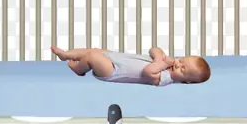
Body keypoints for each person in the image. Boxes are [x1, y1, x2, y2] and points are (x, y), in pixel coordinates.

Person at [50, 46, 211, 86]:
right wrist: (158, 55)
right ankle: (66, 55)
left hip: (114, 71)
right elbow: (153, 49)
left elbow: (148, 71)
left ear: (186, 81)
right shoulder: (167, 62)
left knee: (92, 57)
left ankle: (79, 70)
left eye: (182, 70)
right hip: (118, 58)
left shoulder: (165, 78)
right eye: (182, 60)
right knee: (94, 51)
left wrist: (162, 63)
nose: (178, 64)